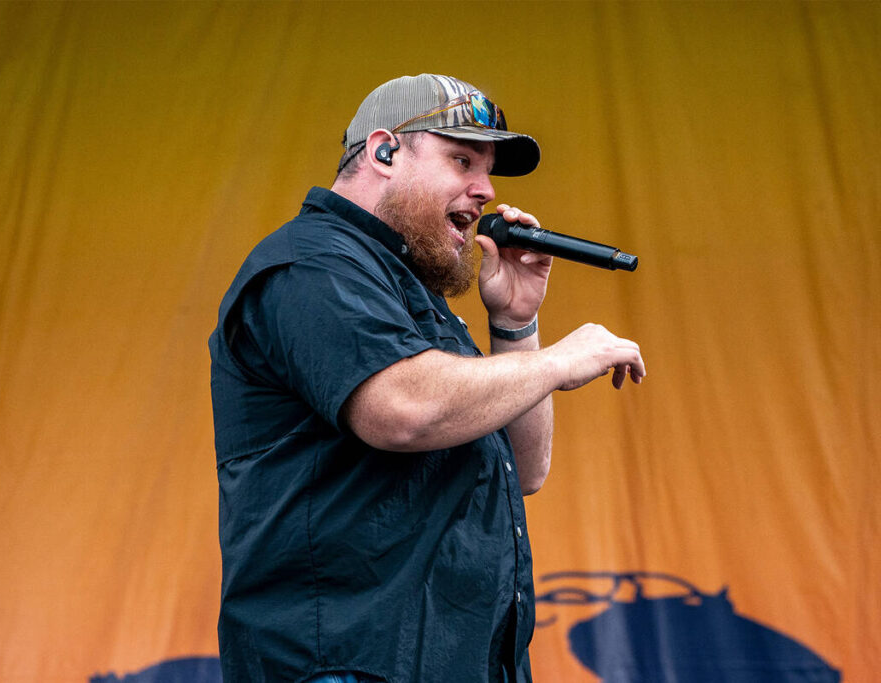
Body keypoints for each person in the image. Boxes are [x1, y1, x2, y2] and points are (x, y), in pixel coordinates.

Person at [209, 74, 645, 683]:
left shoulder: (406, 287)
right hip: (343, 666)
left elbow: (527, 469)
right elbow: (403, 409)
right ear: (384, 152)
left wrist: (516, 325)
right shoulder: (312, 263)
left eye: (488, 170)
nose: (485, 191)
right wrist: (557, 363)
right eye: (462, 159)